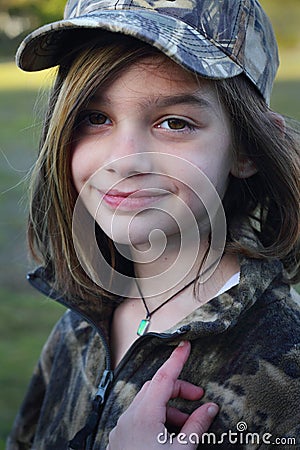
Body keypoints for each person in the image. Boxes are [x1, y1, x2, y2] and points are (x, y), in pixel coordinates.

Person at [7, 0, 300, 449]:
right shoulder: (82, 325)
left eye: (174, 123)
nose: (124, 161)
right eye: (95, 118)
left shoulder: (288, 370)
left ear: (247, 150)